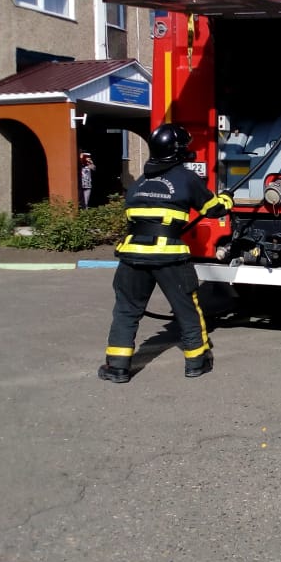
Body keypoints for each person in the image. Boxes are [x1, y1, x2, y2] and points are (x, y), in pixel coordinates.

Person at [97, 123, 233, 384]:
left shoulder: (140, 180)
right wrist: (227, 198)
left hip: (132, 254)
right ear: (178, 150)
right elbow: (213, 210)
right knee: (186, 309)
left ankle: (117, 367)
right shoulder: (185, 178)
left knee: (126, 310)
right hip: (168, 256)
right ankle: (196, 362)